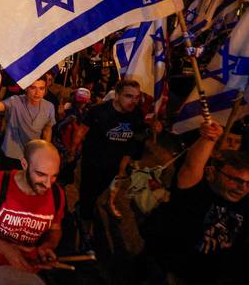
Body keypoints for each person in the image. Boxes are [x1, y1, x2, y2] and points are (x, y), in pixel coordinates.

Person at [143, 121, 249, 284]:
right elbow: (191, 167)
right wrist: (208, 138)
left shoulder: (243, 203)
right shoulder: (195, 192)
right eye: (235, 180)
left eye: (248, 183)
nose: (242, 188)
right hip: (169, 272)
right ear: (213, 172)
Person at [70, 79, 156, 252]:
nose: (133, 101)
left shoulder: (136, 114)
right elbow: (82, 130)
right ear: (116, 96)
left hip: (113, 165)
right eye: (128, 96)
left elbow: (130, 143)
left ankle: (83, 208)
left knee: (97, 193)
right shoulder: (98, 111)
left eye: (137, 97)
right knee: (88, 197)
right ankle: (86, 232)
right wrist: (72, 151)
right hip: (92, 163)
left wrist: (122, 167)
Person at [0, 140, 65, 285]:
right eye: (41, 174)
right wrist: (2, 247)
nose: (48, 184)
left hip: (28, 271)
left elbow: (55, 228)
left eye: (54, 176)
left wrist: (48, 245)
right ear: (24, 164)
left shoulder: (58, 195)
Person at [0, 70, 56, 170]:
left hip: (32, 156)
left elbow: (47, 130)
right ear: (26, 88)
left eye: (41, 88)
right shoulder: (15, 101)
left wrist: (45, 152)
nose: (37, 93)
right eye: (33, 88)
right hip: (10, 155)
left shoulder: (49, 107)